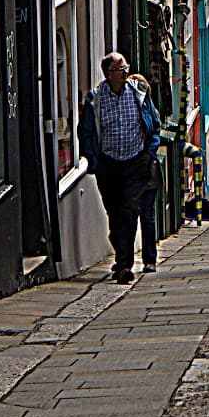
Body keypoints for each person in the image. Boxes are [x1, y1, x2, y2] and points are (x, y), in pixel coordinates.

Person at [79, 51, 161, 283]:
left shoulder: (138, 93)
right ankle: (122, 254)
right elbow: (86, 132)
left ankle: (124, 264)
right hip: (109, 164)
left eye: (126, 67)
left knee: (129, 209)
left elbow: (154, 124)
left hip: (136, 162)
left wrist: (148, 154)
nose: (126, 72)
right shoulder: (95, 99)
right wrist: (94, 160)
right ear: (108, 73)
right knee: (114, 213)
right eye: (120, 69)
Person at [130, 74, 160, 272]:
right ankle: (126, 259)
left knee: (146, 215)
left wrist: (147, 156)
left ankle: (149, 258)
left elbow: (155, 134)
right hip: (131, 169)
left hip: (147, 170)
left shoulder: (150, 109)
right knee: (129, 216)